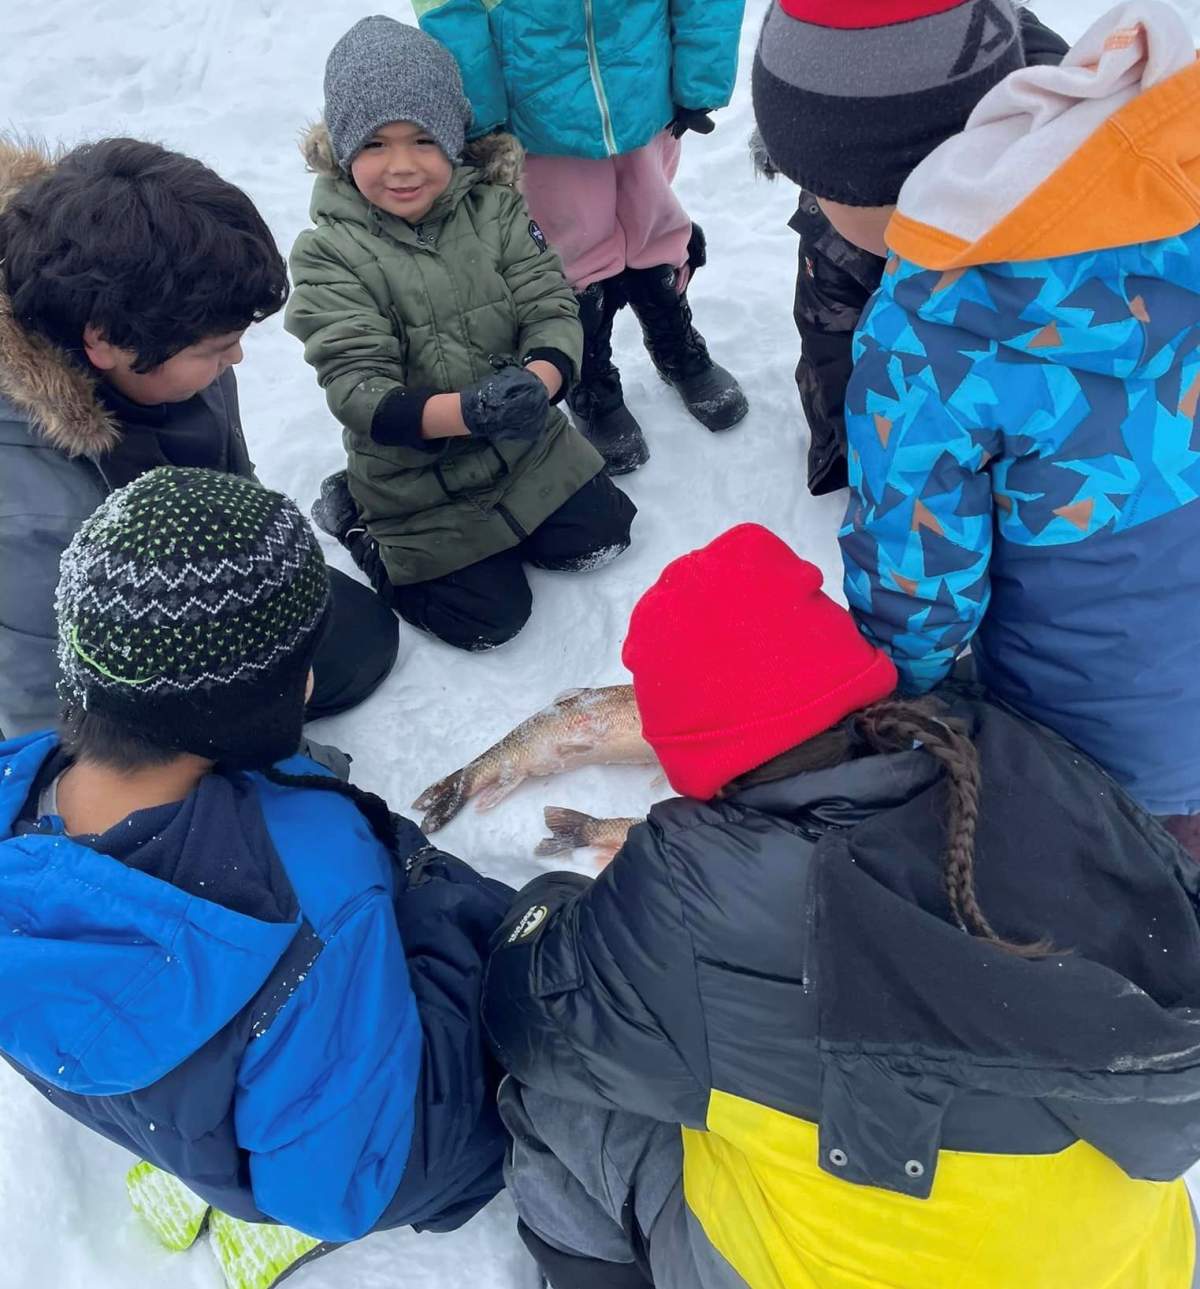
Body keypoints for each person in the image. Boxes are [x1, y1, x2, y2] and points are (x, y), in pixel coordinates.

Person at [480, 522, 1200, 1289]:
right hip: (1148, 1267)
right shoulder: (1025, 768)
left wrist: (550, 904)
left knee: (549, 1099)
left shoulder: (690, 895)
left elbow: (528, 1019)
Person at [0, 467, 513, 1287]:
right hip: (357, 1151)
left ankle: (208, 1164)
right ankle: (266, 1209)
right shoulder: (315, 887)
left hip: (163, 1101)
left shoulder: (16, 787)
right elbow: (345, 1182)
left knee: (197, 1065)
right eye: (300, 666)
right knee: (489, 947)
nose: (310, 679)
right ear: (237, 708)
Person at [833, 1, 1200, 853]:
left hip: (1102, 736)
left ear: (878, 178)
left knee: (1136, 888)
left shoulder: (926, 337)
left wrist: (897, 700)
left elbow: (919, 596)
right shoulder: (1172, 184)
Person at [0, 137, 399, 742]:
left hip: (177, 578)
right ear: (104, 340)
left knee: (355, 641)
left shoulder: (160, 334)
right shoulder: (29, 511)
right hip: (103, 670)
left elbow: (230, 477)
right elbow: (39, 714)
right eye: (214, 349)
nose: (235, 359)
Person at [286, 18, 636, 652]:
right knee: (487, 620)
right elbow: (358, 386)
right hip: (417, 480)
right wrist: (469, 413)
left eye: (423, 140)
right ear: (342, 150)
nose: (402, 166)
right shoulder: (327, 254)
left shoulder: (496, 209)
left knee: (604, 536)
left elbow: (549, 303)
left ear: (453, 138)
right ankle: (358, 522)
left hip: (526, 447)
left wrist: (539, 382)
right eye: (374, 144)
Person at [417, 0, 749, 475]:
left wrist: (701, 72)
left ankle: (672, 337)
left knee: (653, 223)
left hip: (641, 80)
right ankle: (587, 370)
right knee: (570, 249)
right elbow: (447, 8)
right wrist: (481, 107)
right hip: (536, 100)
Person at [751, 0, 1068, 494]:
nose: (817, 202)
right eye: (817, 190)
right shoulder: (835, 239)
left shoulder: (1063, 233)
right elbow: (828, 349)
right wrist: (854, 449)